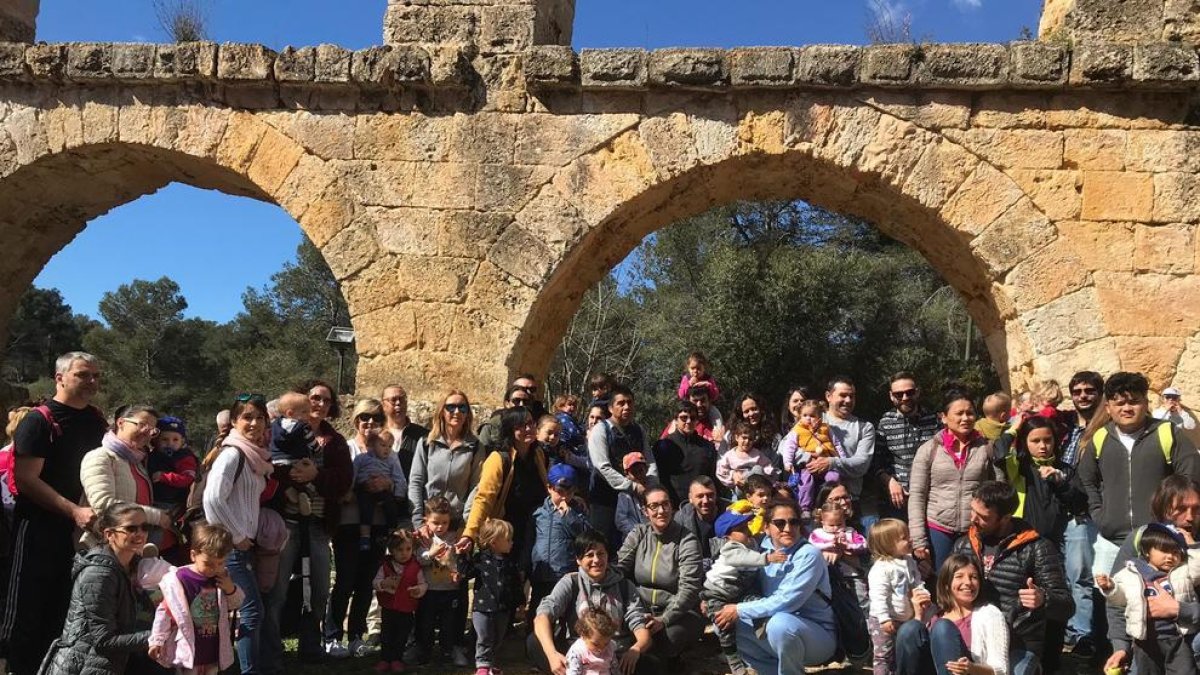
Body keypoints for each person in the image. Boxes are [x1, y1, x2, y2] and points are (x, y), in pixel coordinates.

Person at [2, 352, 107, 675]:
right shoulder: (39, 420)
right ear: (59, 377)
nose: (91, 381)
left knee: (64, 615)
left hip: (81, 535)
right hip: (38, 531)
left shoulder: (96, 420)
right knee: (25, 616)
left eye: (95, 376)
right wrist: (73, 510)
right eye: (82, 375)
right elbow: (26, 479)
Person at [264, 380, 352, 668]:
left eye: (326, 401)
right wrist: (291, 481)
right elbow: (269, 469)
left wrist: (316, 474)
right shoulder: (275, 431)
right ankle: (273, 651)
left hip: (316, 524)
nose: (319, 404)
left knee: (318, 588)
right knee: (277, 590)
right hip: (285, 523)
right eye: (315, 398)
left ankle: (311, 647)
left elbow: (342, 481)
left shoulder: (334, 442)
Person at [1078, 372, 1200, 578]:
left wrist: (1172, 519)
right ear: (1108, 407)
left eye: (1134, 402)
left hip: (1160, 541)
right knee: (1113, 600)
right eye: (1119, 403)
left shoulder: (1167, 433)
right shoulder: (1100, 438)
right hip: (1112, 541)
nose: (1127, 408)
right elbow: (1087, 479)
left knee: (1161, 600)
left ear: (1146, 403)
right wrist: (1100, 515)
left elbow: (1189, 480)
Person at [951, 481, 1072, 675]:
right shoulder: (963, 545)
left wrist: (1042, 599)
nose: (972, 519)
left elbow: (1066, 606)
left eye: (983, 517)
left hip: (1018, 642)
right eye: (972, 511)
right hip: (972, 635)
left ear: (1006, 518)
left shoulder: (1036, 548)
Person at [712, 500, 837, 673]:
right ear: (766, 528)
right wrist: (712, 597)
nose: (787, 528)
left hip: (817, 637)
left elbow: (787, 602)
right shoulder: (761, 549)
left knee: (780, 624)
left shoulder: (809, 555)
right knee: (722, 622)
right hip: (775, 627)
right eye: (779, 523)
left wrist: (739, 609)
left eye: (794, 522)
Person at [202, 396, 272, 674]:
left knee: (238, 611)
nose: (254, 423)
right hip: (230, 549)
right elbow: (213, 499)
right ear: (234, 421)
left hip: (241, 547)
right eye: (247, 417)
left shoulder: (254, 455)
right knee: (252, 611)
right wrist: (236, 536)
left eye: (259, 418)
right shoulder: (233, 454)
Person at [1102, 475, 1200, 673]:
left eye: (1197, 509)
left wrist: (1179, 609)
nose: (1190, 517)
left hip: (1192, 635)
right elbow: (1117, 602)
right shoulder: (1141, 539)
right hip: (1148, 640)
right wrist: (1121, 648)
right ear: (1164, 509)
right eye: (1181, 509)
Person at [41, 503, 153, 675]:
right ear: (109, 534)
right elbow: (103, 640)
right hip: (83, 667)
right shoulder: (99, 575)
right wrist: (156, 636)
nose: (140, 533)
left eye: (145, 527)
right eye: (131, 528)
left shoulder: (134, 567)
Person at [527, 529, 659, 675]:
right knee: (534, 641)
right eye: (589, 555)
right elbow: (541, 617)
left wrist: (636, 649)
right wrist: (552, 655)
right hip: (578, 658)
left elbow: (641, 629)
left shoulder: (624, 586)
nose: (596, 560)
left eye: (601, 554)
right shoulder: (571, 582)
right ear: (578, 559)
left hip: (615, 657)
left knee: (650, 663)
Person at [326, 398, 394, 658]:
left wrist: (387, 484)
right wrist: (357, 490)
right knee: (344, 582)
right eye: (365, 418)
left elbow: (399, 486)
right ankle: (332, 636)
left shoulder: (388, 451)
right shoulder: (348, 449)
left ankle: (356, 635)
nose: (370, 423)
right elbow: (340, 485)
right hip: (348, 524)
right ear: (355, 421)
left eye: (376, 419)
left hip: (376, 526)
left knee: (366, 583)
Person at [908, 387, 999, 571]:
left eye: (970, 413)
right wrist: (918, 539)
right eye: (959, 413)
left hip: (974, 529)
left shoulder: (987, 449)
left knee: (972, 581)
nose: (965, 418)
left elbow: (998, 490)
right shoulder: (928, 450)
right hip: (938, 529)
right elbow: (917, 494)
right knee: (941, 583)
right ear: (943, 417)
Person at [615, 487, 706, 662]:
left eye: (665, 504)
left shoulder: (687, 540)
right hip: (643, 608)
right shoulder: (639, 533)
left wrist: (663, 619)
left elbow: (689, 588)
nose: (661, 511)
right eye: (654, 506)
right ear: (645, 511)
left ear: (672, 507)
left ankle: (672, 659)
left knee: (666, 639)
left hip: (679, 612)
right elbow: (620, 567)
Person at [148, 522, 245, 675]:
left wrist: (230, 588)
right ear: (193, 555)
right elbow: (164, 612)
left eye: (220, 563)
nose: (214, 568)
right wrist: (157, 640)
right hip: (187, 649)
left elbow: (236, 603)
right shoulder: (179, 579)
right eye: (208, 564)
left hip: (213, 650)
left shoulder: (222, 577)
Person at [702, 511, 788, 675]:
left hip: (739, 592)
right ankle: (734, 663)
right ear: (728, 536)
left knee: (755, 600)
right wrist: (767, 558)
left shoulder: (750, 545)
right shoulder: (730, 548)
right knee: (724, 628)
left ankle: (761, 627)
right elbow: (744, 558)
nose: (747, 530)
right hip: (717, 594)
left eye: (746, 526)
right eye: (741, 529)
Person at [462, 406, 549, 564]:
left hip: (534, 532)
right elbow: (484, 498)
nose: (528, 428)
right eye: (521, 425)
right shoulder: (498, 459)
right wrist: (470, 533)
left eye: (530, 423)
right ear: (510, 430)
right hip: (506, 537)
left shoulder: (538, 454)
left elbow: (548, 486)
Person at [896, 554, 1009, 675]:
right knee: (910, 628)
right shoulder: (934, 615)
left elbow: (1001, 670)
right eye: (959, 576)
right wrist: (918, 616)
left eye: (974, 577)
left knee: (942, 628)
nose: (968, 582)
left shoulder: (989, 614)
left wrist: (971, 668)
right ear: (946, 584)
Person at [79, 404, 172, 549]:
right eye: (142, 425)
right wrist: (156, 516)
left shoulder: (137, 462)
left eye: (152, 430)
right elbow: (104, 505)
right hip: (105, 549)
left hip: (131, 549)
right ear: (121, 423)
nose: (147, 432)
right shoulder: (100, 457)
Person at [1058, 371, 1104, 656]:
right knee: (1067, 576)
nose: (1083, 396)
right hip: (1059, 511)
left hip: (1082, 512)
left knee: (1081, 577)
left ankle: (1082, 637)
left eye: (1089, 391)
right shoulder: (1067, 428)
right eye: (1077, 391)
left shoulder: (1103, 430)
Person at [587, 384, 656, 543]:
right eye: (621, 403)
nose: (626, 407)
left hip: (635, 500)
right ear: (611, 408)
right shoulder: (600, 430)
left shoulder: (638, 430)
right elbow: (602, 466)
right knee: (601, 543)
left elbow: (650, 461)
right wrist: (632, 487)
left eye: (630, 402)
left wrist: (652, 486)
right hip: (604, 499)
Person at [408, 390, 483, 532]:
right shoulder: (426, 443)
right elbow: (416, 481)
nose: (457, 411)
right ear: (442, 411)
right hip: (428, 522)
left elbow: (476, 486)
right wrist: (418, 521)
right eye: (451, 407)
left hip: (456, 523)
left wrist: (465, 523)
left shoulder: (475, 447)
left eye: (462, 407)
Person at [872, 372, 940, 522]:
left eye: (909, 392)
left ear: (917, 392)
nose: (905, 398)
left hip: (931, 498)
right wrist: (889, 481)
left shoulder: (934, 420)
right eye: (898, 394)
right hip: (898, 500)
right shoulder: (885, 423)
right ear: (891, 396)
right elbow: (876, 463)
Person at [528, 463, 593, 620]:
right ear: (550, 488)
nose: (564, 497)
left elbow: (585, 537)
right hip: (541, 572)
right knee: (538, 613)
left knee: (566, 614)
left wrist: (570, 516)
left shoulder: (578, 511)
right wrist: (525, 565)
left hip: (564, 573)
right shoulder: (538, 512)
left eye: (569, 492)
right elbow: (529, 540)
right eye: (560, 491)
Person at [457, 518, 521, 675]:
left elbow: (516, 583)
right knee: (484, 636)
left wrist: (520, 601)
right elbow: (465, 572)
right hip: (483, 607)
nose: (511, 543)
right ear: (494, 542)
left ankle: (491, 663)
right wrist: (462, 556)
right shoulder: (480, 559)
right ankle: (482, 665)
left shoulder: (509, 563)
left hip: (503, 608)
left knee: (498, 637)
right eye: (508, 540)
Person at [413, 496, 469, 667]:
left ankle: (448, 650)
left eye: (444, 522)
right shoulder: (423, 538)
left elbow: (460, 560)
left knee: (448, 623)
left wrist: (459, 573)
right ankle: (424, 650)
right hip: (429, 590)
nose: (440, 527)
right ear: (426, 520)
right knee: (426, 623)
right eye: (435, 522)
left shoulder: (454, 536)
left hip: (450, 589)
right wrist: (431, 553)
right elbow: (419, 559)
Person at [866, 519, 924, 675]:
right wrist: (884, 618)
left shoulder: (909, 561)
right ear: (887, 545)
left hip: (905, 618)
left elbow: (916, 581)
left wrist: (923, 593)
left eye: (908, 535)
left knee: (899, 655)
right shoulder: (881, 569)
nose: (910, 540)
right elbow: (878, 596)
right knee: (883, 656)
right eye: (904, 538)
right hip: (883, 621)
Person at [372, 529, 426, 673]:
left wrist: (419, 590)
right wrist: (383, 583)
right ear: (391, 551)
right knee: (386, 634)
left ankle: (397, 659)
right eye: (399, 549)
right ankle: (385, 659)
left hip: (407, 608)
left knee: (402, 635)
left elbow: (423, 583)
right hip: (388, 608)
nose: (404, 553)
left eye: (408, 549)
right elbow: (375, 582)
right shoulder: (385, 566)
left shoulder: (416, 567)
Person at [653, 401, 717, 508]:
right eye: (683, 418)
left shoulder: (707, 446)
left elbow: (713, 477)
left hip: (703, 505)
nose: (688, 421)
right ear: (675, 420)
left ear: (697, 420)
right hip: (674, 507)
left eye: (692, 418)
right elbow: (659, 478)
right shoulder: (663, 446)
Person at [354, 426, 406, 551]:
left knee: (391, 506)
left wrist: (398, 493)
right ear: (372, 444)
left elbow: (399, 477)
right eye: (383, 445)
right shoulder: (361, 458)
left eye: (390, 446)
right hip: (364, 488)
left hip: (384, 489)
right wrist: (350, 490)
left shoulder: (391, 460)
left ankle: (391, 533)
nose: (387, 450)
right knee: (365, 507)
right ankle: (365, 536)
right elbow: (353, 473)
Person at [267, 391, 319, 517]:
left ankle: (287, 490)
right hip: (296, 461)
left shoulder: (274, 425)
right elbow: (312, 443)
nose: (309, 415)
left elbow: (269, 441)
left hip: (277, 462)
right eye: (305, 412)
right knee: (303, 481)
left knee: (282, 481)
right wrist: (317, 449)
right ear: (290, 413)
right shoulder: (304, 427)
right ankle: (304, 495)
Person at [785, 400, 841, 512]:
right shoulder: (797, 430)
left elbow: (837, 444)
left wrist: (842, 460)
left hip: (826, 462)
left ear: (819, 417)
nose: (808, 418)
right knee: (805, 481)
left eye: (812, 415)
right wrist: (788, 462)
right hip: (808, 465)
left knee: (833, 478)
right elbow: (789, 447)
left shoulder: (826, 428)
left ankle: (830, 504)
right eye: (805, 415)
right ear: (800, 416)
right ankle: (805, 507)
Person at [148, 416, 196, 525]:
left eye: (175, 440)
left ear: (182, 441)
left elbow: (187, 479)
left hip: (171, 503)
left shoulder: (185, 458)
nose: (170, 443)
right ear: (155, 440)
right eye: (165, 439)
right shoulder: (152, 455)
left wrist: (164, 477)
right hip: (152, 499)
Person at [381, 384, 428, 489]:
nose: (398, 403)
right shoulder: (376, 435)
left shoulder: (422, 435)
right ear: (383, 405)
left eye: (402, 399)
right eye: (393, 400)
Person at [716, 421, 775, 497]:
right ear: (737, 437)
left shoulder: (757, 454)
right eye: (744, 438)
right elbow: (721, 471)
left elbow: (768, 467)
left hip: (755, 489)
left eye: (750, 439)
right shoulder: (730, 455)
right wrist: (732, 475)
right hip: (739, 487)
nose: (747, 441)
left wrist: (763, 474)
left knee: (757, 468)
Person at [673, 476, 722, 568]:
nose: (705, 501)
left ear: (716, 495)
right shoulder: (681, 519)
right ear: (690, 498)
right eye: (700, 496)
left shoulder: (731, 514)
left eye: (710, 495)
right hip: (693, 569)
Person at [566, 609, 618, 675]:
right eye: (596, 644)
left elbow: (615, 668)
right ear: (583, 636)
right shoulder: (577, 651)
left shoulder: (610, 648)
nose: (601, 649)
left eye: (606, 644)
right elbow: (573, 672)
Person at [615, 453, 649, 540]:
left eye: (641, 470)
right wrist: (636, 534)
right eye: (634, 472)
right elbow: (620, 521)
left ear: (646, 469)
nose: (638, 475)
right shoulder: (624, 496)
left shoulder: (653, 490)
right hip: (635, 539)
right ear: (627, 475)